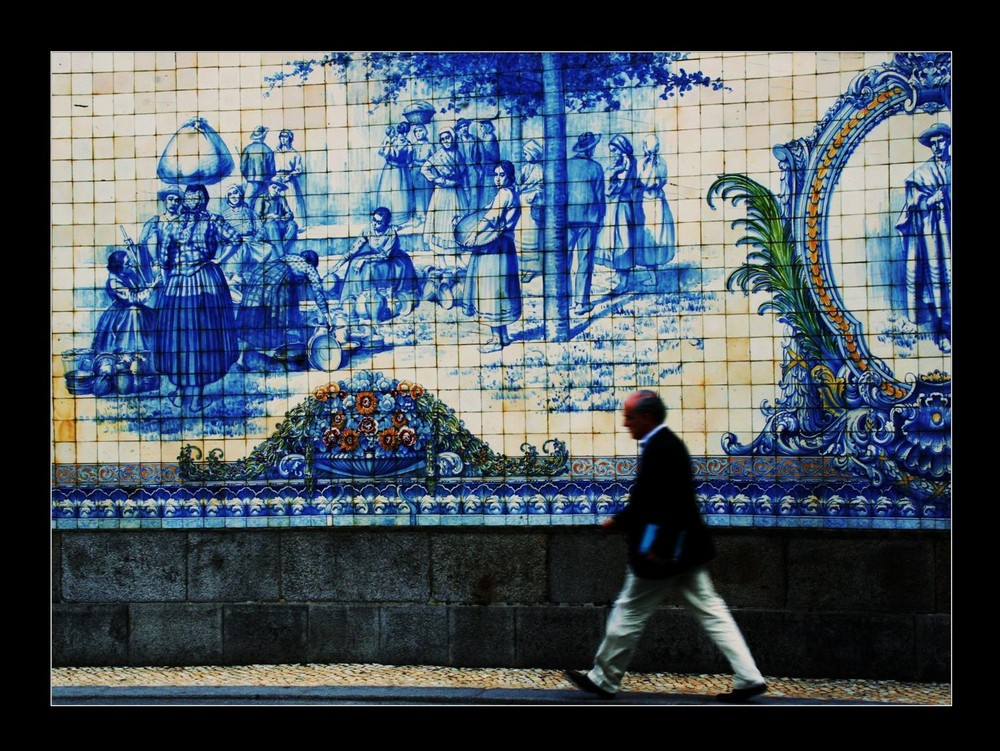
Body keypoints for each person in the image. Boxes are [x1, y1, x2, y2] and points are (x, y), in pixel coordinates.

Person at [564, 390, 768, 703]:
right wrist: (619, 521)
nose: (625, 423)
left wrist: (656, 548)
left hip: (664, 554)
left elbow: (667, 507)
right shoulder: (665, 445)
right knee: (712, 611)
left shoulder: (662, 449)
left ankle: (604, 678)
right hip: (685, 552)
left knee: (629, 611)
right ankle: (749, 677)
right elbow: (654, 502)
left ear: (647, 417)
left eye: (629, 417)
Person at [155, 184, 240, 411]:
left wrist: (170, 277)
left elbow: (164, 259)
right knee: (194, 337)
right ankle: (191, 396)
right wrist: (218, 261)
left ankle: (187, 394)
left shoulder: (185, 223)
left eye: (195, 198)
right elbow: (235, 240)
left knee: (191, 337)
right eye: (192, 198)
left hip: (188, 283)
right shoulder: (207, 220)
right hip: (200, 281)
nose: (193, 202)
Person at [895, 122, 951, 353]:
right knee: (940, 280)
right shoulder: (921, 175)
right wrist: (929, 201)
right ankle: (943, 332)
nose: (937, 147)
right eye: (933, 143)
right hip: (937, 238)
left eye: (941, 142)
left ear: (949, 142)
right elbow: (912, 205)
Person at [461, 161, 522, 352]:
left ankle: (496, 340)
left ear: (510, 176)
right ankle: (502, 336)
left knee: (491, 290)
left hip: (495, 247)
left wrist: (472, 235)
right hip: (503, 246)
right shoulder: (508, 193)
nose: (497, 178)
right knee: (499, 289)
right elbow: (486, 212)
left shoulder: (505, 194)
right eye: (496, 174)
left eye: (501, 175)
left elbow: (490, 218)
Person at [235, 250, 333, 370]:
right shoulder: (309, 267)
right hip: (275, 286)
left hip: (259, 279)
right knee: (274, 322)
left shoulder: (287, 258)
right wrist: (327, 316)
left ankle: (241, 360)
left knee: (253, 322)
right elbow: (318, 292)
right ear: (312, 262)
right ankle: (279, 361)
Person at [329, 207, 418, 322]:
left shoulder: (391, 233)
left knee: (369, 268)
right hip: (373, 257)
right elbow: (354, 249)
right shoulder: (369, 229)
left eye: (379, 222)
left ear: (386, 223)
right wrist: (338, 265)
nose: (375, 224)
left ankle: (370, 301)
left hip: (391, 261)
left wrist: (365, 259)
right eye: (374, 220)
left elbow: (384, 255)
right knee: (354, 263)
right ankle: (354, 299)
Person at [566, 132, 606, 315]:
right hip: (589, 219)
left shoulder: (565, 166)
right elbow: (599, 196)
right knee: (584, 261)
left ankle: (564, 301)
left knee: (564, 260)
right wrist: (601, 217)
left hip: (566, 219)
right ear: (590, 149)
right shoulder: (596, 168)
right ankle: (581, 303)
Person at [91, 250, 157, 361]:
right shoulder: (114, 282)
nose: (130, 264)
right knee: (133, 314)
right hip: (122, 314)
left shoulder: (128, 274)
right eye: (127, 263)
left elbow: (139, 289)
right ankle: (127, 356)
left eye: (130, 261)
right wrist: (152, 287)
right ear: (119, 267)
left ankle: (145, 357)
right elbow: (133, 298)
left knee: (153, 316)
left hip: (133, 309)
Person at [421, 127, 469, 264]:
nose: (445, 141)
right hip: (442, 193)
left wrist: (464, 188)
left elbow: (463, 173)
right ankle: (441, 258)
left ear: (452, 138)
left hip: (456, 191)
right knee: (441, 222)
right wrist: (437, 179)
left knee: (456, 220)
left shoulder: (458, 154)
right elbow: (424, 168)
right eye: (442, 139)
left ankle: (457, 256)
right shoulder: (438, 155)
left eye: (447, 138)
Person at [603, 133, 643, 294]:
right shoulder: (621, 163)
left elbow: (618, 186)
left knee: (623, 242)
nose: (612, 153)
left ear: (622, 149)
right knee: (615, 241)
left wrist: (612, 174)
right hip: (615, 206)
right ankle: (619, 275)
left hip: (622, 207)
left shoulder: (627, 163)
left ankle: (624, 282)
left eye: (615, 150)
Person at [636, 134, 676, 286]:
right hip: (657, 202)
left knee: (651, 238)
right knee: (654, 237)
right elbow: (663, 180)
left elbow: (640, 182)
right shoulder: (661, 162)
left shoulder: (643, 163)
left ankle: (653, 278)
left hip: (649, 204)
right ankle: (653, 275)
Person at [216, 183, 265, 298]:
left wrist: (254, 239)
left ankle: (236, 281)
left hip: (250, 247)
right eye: (230, 194)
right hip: (230, 248)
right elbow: (218, 234)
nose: (233, 196)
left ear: (240, 194)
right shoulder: (224, 215)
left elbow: (261, 229)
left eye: (235, 192)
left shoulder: (250, 213)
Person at [134, 186, 184, 295]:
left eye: (177, 200)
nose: (173, 203)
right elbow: (142, 242)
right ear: (165, 201)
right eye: (170, 199)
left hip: (177, 267)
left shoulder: (183, 222)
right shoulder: (154, 221)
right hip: (156, 267)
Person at [374, 123, 415, 226]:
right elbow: (409, 160)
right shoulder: (408, 144)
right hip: (400, 171)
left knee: (394, 193)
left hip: (392, 170)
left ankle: (390, 219)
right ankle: (392, 218)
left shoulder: (392, 141)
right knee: (397, 194)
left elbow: (383, 153)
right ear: (406, 132)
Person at [517, 139, 544, 283]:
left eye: (526, 153)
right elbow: (520, 184)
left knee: (532, 238)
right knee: (521, 237)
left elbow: (542, 187)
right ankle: (523, 267)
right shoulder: (525, 168)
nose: (523, 155)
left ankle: (533, 268)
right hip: (522, 207)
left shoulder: (540, 170)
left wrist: (536, 193)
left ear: (533, 154)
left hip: (533, 207)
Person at [253, 179, 298, 255]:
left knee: (293, 225)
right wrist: (268, 216)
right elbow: (256, 217)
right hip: (267, 226)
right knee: (272, 225)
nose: (276, 191)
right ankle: (281, 254)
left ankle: (282, 249)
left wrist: (281, 218)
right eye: (274, 187)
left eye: (279, 189)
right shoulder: (261, 199)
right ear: (268, 187)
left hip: (280, 224)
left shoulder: (281, 199)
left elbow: (290, 214)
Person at [274, 129, 307, 230]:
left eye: (285, 137)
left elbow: (299, 169)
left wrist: (290, 176)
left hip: (289, 181)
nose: (283, 139)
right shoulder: (275, 153)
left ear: (290, 138)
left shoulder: (295, 154)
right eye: (281, 137)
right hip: (276, 180)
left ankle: (297, 225)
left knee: (292, 202)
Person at [240, 126, 276, 209]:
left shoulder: (247, 149)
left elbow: (242, 168)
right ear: (264, 136)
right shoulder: (268, 150)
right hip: (264, 183)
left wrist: (248, 177)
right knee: (263, 205)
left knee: (247, 204)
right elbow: (272, 171)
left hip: (251, 183)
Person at [408, 123, 435, 225]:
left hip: (426, 172)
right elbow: (409, 158)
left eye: (420, 131)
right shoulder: (413, 145)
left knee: (426, 193)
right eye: (416, 131)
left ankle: (427, 216)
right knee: (417, 194)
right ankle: (419, 216)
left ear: (425, 132)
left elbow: (434, 159)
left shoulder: (429, 145)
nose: (418, 133)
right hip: (415, 171)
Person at [455, 118, 482, 208]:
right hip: (461, 170)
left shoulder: (475, 140)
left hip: (473, 168)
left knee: (474, 190)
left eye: (465, 126)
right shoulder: (456, 142)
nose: (464, 128)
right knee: (464, 189)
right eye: (461, 127)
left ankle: (473, 210)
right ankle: (466, 210)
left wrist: (480, 169)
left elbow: (482, 156)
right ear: (458, 130)